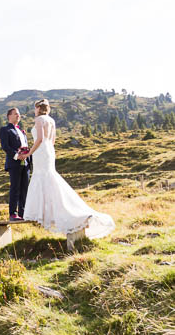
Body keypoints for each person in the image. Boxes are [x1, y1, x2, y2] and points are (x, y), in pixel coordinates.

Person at [21, 98, 115, 238]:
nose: (34, 111)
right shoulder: (51, 120)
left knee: (42, 176)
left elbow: (39, 139)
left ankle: (42, 212)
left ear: (39, 108)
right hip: (49, 150)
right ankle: (48, 211)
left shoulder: (39, 119)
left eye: (35, 108)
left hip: (41, 150)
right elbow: (52, 140)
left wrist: (29, 152)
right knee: (49, 176)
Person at [0, 107, 32, 220]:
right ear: (9, 116)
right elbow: (5, 146)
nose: (18, 115)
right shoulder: (5, 130)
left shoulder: (22, 131)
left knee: (24, 188)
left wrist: (28, 157)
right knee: (15, 188)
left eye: (19, 114)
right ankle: (13, 214)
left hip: (26, 163)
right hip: (14, 163)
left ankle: (23, 213)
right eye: (15, 114)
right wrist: (17, 155)